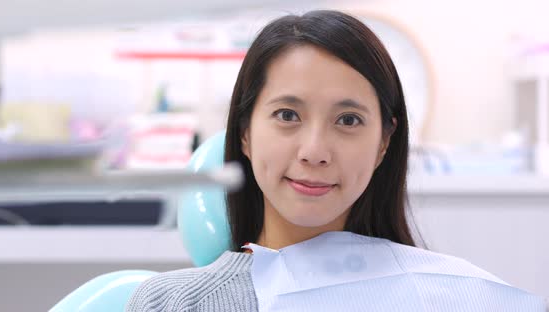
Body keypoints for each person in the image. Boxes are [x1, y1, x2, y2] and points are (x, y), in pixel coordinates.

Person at [126, 10, 545, 311]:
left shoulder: (459, 294)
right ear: (245, 133)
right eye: (287, 115)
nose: (314, 151)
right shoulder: (173, 303)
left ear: (384, 142)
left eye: (348, 120)